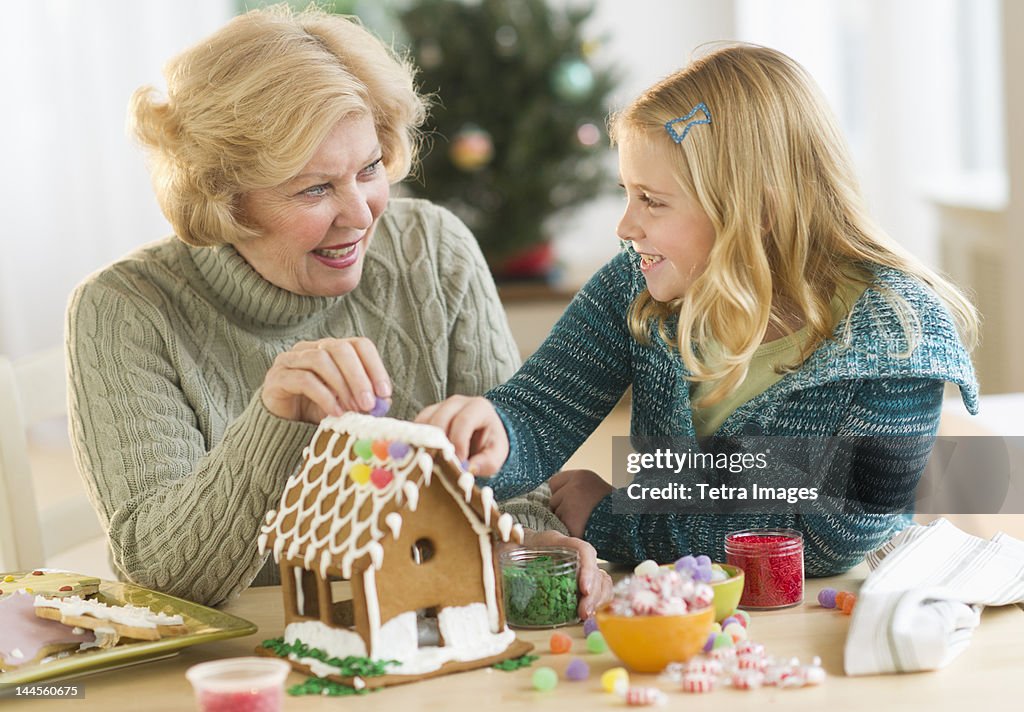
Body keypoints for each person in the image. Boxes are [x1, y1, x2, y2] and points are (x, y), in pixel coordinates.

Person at [65, 5, 610, 612]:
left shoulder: (434, 249)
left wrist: (527, 541)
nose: (360, 214)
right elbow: (159, 580)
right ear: (225, 198)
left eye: (370, 168)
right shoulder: (123, 311)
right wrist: (273, 422)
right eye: (315, 188)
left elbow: (513, 494)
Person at [418, 44, 980, 576]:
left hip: (825, 619)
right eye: (627, 192)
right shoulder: (635, 289)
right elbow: (541, 412)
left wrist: (616, 521)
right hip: (688, 609)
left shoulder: (899, 335)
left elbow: (836, 536)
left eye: (653, 202)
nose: (625, 226)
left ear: (756, 209)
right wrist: (498, 434)